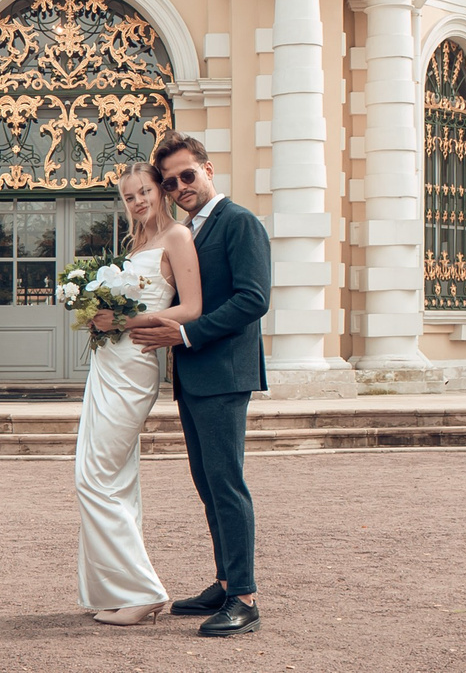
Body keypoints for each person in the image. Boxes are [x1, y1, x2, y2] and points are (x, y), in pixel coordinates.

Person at [128, 133, 270, 638]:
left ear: (208, 169)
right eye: (171, 182)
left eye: (188, 175)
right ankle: (226, 579)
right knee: (208, 484)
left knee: (227, 484)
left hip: (225, 373)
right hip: (194, 375)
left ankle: (245, 598)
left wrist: (185, 332)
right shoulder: (189, 231)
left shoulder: (240, 223)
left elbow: (253, 300)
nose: (181, 186)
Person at [76, 163, 202, 626]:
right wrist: (96, 312)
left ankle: (144, 591)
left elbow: (191, 308)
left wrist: (124, 322)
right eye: (129, 197)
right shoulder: (135, 244)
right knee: (115, 478)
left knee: (94, 476)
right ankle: (116, 589)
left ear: (160, 190)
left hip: (135, 364)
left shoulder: (177, 238)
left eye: (144, 191)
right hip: (107, 362)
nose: (138, 202)